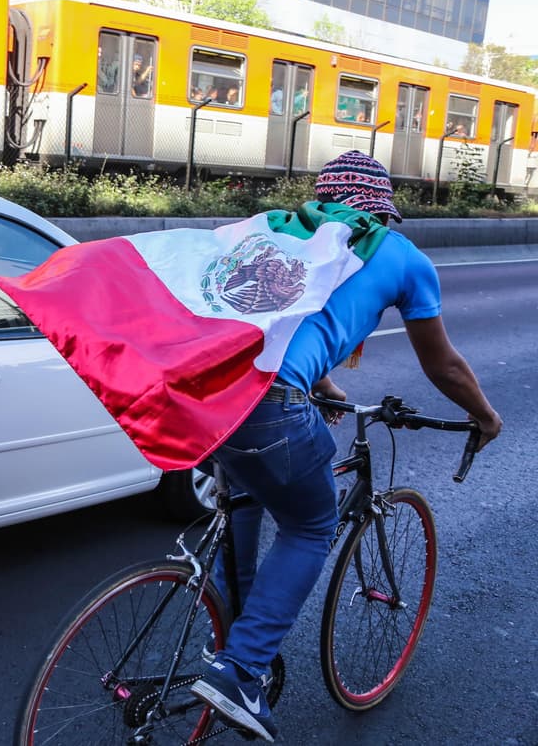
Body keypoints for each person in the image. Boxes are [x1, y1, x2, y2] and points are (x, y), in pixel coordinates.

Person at [189, 149, 502, 742]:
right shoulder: (398, 254)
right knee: (311, 525)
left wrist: (324, 385)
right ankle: (241, 670)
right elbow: (442, 364)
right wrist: (483, 415)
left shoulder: (285, 231)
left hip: (206, 396)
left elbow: (282, 323)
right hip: (268, 403)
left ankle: (221, 640)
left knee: (246, 506)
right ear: (379, 210)